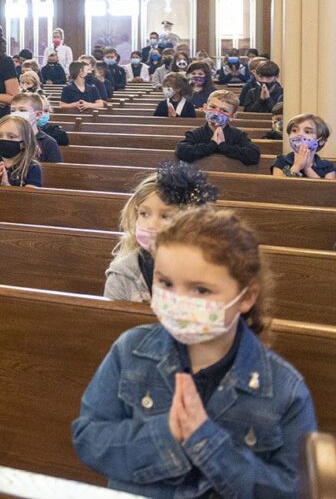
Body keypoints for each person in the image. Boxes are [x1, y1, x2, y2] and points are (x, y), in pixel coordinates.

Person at [73, 208, 317, 498]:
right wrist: (166, 435)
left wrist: (206, 441)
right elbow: (89, 438)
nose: (178, 301)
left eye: (201, 290)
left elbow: (292, 490)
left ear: (247, 297)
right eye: (166, 283)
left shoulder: (285, 390)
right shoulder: (130, 351)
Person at [104, 162, 219, 303]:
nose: (151, 225)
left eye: (166, 216)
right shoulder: (122, 274)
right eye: (144, 214)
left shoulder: (211, 269)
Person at [176, 90, 260, 166]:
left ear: (232, 116)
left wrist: (224, 147)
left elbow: (253, 154)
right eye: (213, 107)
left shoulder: (238, 135)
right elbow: (182, 151)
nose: (216, 113)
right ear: (205, 108)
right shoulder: (195, 133)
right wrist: (212, 145)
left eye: (223, 110)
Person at [0, 114, 42, 187]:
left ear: (24, 143)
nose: (4, 140)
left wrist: (7, 186)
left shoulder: (32, 167)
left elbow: (31, 196)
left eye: (11, 137)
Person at [271, 113, 335, 179]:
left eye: (307, 131)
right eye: (294, 130)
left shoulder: (327, 166)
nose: (299, 134)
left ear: (321, 141)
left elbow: (325, 188)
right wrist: (296, 166)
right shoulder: (281, 161)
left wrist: (307, 169)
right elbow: (279, 186)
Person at [9, 92, 61, 162]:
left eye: (22, 110)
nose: (16, 114)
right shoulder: (7, 138)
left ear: (37, 115)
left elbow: (55, 170)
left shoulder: (49, 143)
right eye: (13, 110)